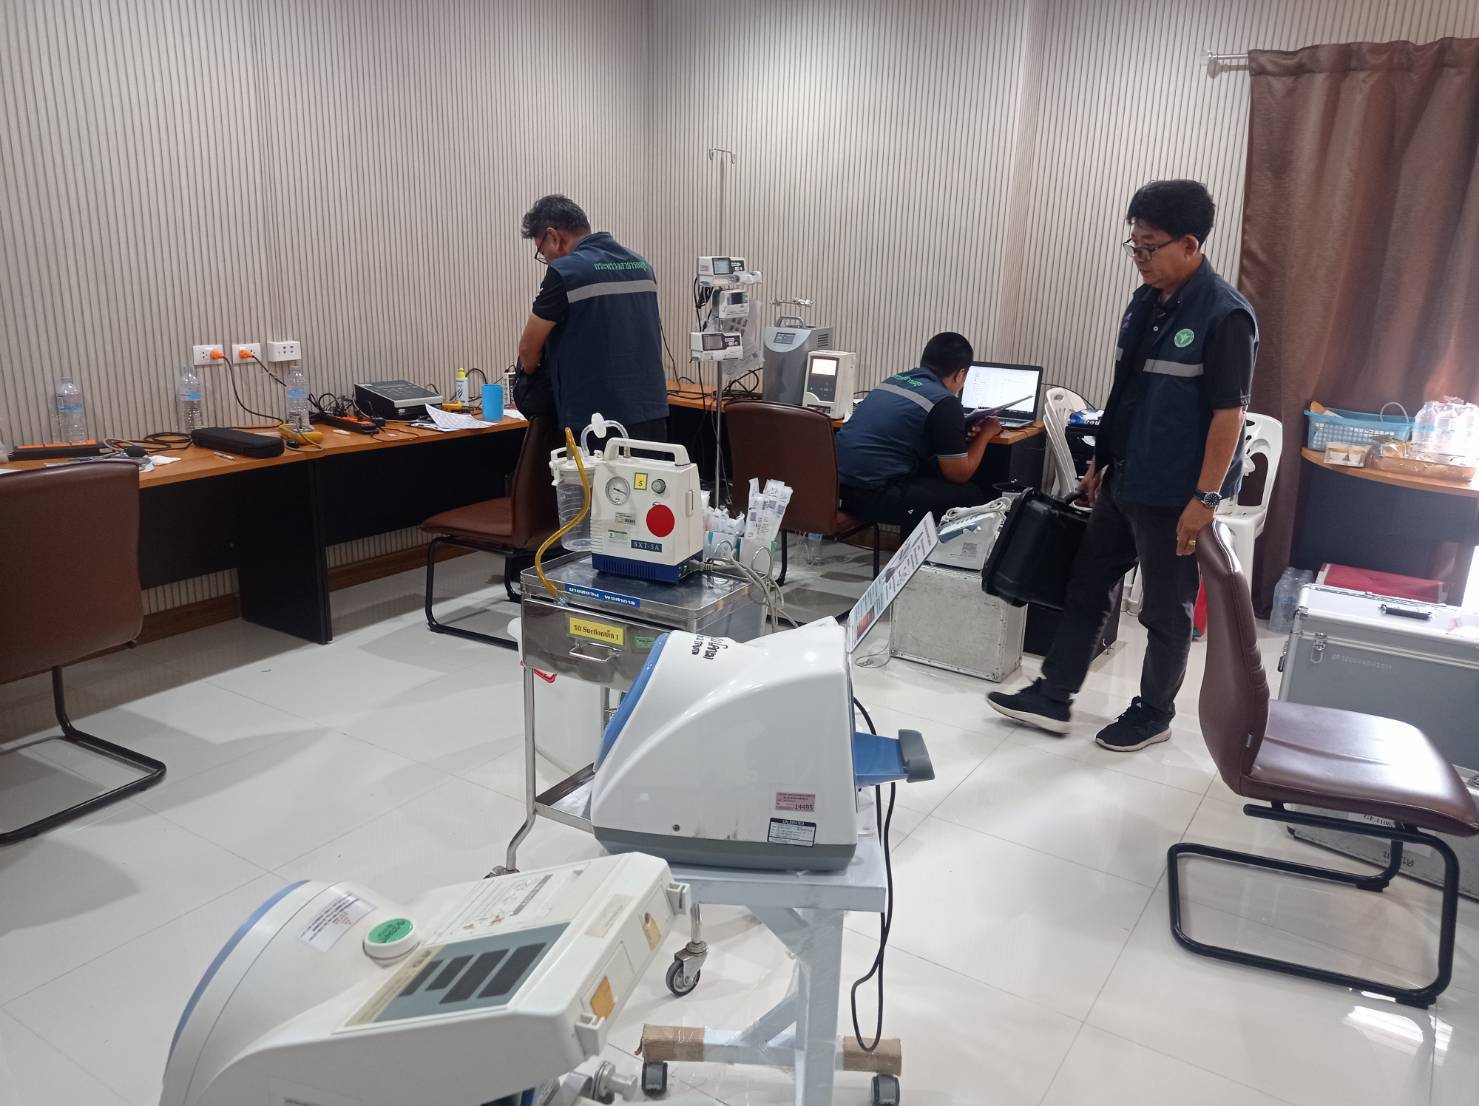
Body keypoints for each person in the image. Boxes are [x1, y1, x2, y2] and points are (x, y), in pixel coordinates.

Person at [988, 179, 1258, 752]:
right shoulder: (1145, 302)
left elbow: (1229, 417)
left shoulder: (1225, 316)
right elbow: (1126, 391)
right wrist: (1101, 460)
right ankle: (1054, 694)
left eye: (1150, 246)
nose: (1139, 257)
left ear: (1190, 244)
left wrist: (1205, 500)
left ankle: (1153, 713)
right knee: (1086, 586)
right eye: (1134, 245)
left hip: (1175, 494)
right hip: (1124, 479)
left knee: (1164, 610)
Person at [515, 195, 668, 442]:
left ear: (553, 237)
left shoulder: (566, 271)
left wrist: (532, 382)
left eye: (542, 252)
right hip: (652, 413)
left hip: (595, 421)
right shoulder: (642, 265)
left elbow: (528, 348)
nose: (546, 260)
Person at [836, 332, 1003, 526]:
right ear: (960, 374)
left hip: (839, 487)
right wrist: (986, 433)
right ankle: (922, 546)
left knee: (928, 474)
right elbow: (959, 474)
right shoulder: (944, 402)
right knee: (971, 495)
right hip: (873, 495)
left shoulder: (894, 381)